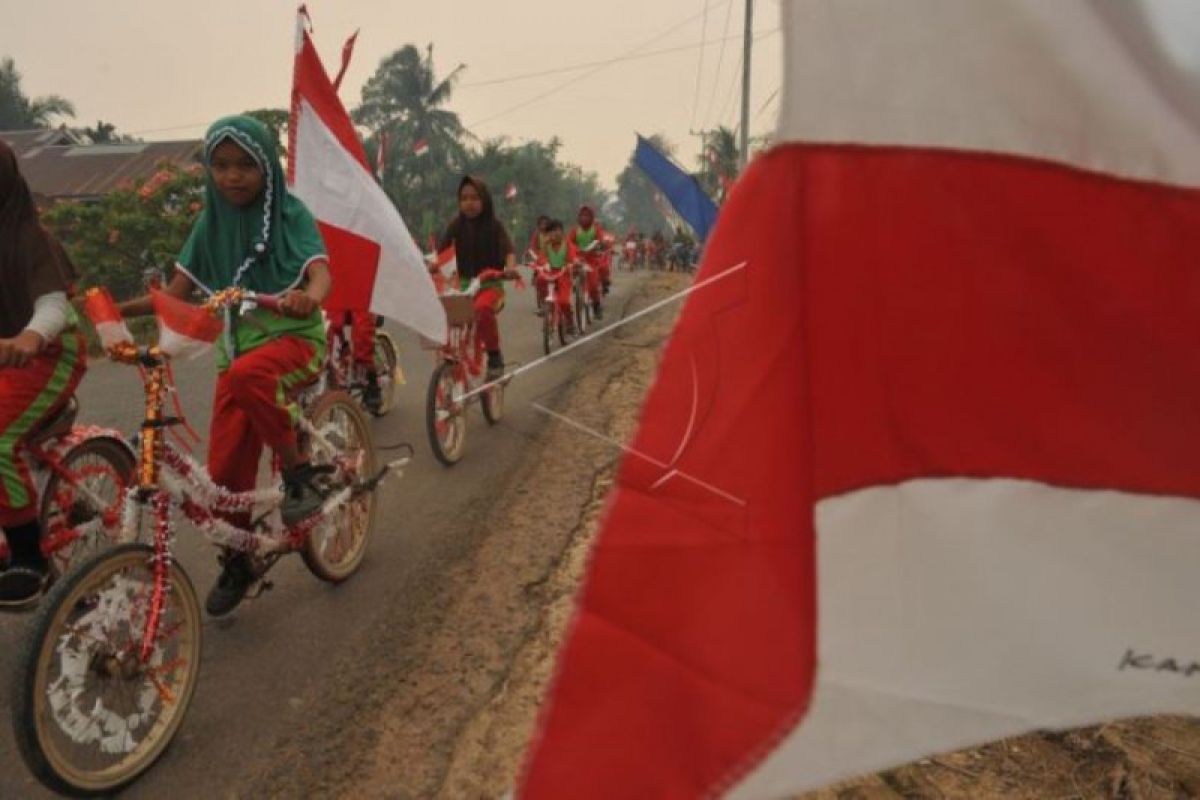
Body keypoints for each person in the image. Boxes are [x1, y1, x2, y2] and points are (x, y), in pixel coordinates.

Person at [117, 115, 333, 617]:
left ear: (266, 169)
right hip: (236, 355)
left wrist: (308, 297)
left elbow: (320, 274)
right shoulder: (207, 225)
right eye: (221, 165)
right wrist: (107, 310)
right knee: (221, 479)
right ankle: (239, 561)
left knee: (249, 376)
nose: (232, 177)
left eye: (245, 166)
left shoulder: (290, 214)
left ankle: (300, 475)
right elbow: (174, 297)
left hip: (294, 343)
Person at [0, 141, 86, 606]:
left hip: (49, 354)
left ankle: (29, 557)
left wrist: (30, 338)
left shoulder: (31, 238)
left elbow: (52, 305)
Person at [437, 176, 518, 378]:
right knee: (446, 316)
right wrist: (432, 266)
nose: (469, 203)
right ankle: (451, 373)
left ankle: (494, 355)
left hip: (490, 285)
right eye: (464, 198)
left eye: (474, 198)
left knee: (482, 309)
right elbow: (442, 253)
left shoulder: (495, 226)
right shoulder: (456, 225)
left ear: (485, 200)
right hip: (463, 287)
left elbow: (509, 251)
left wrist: (509, 268)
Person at [568, 205, 609, 319]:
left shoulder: (596, 229)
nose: (584, 218)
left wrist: (600, 245)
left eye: (587, 216)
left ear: (591, 217)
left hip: (591, 260)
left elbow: (600, 240)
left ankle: (597, 306)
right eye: (582, 215)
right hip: (577, 259)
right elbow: (569, 242)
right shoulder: (575, 230)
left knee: (593, 285)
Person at [537, 219, 578, 333]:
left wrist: (570, 264)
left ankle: (570, 321)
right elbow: (541, 257)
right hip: (549, 273)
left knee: (564, 301)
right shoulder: (546, 245)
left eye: (556, 230)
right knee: (540, 279)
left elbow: (572, 258)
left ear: (562, 231)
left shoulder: (567, 244)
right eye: (550, 232)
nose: (554, 234)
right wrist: (544, 264)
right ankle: (545, 303)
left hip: (563, 274)